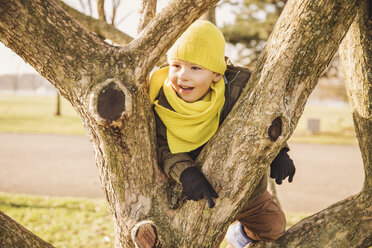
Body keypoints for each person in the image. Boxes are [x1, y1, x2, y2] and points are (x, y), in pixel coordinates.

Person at [148, 20, 295, 247]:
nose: (182, 76)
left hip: (247, 188)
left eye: (196, 68)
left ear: (217, 74)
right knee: (199, 241)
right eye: (176, 65)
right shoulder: (161, 99)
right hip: (196, 191)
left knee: (274, 226)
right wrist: (185, 173)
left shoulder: (239, 87)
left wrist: (278, 153)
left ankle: (241, 236)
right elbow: (163, 147)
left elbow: (265, 120)